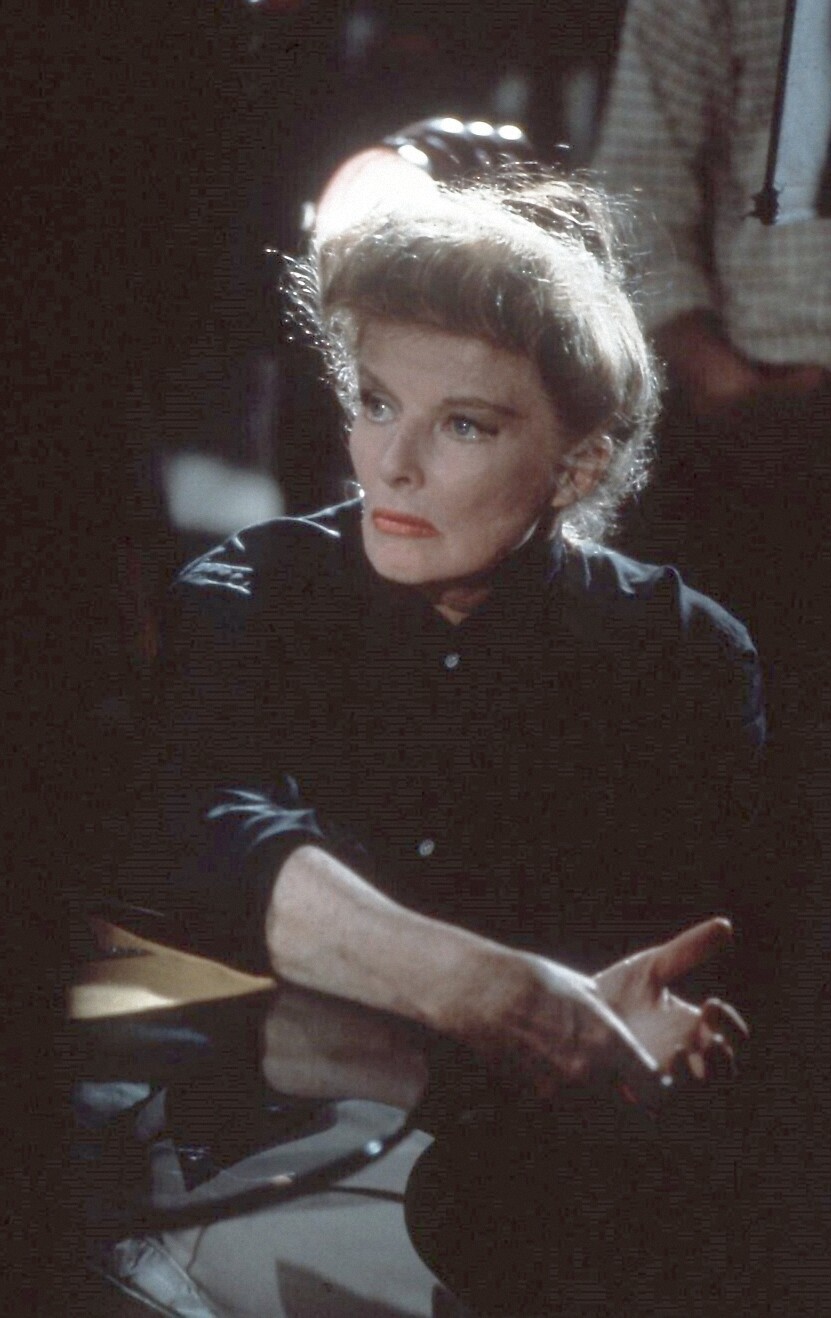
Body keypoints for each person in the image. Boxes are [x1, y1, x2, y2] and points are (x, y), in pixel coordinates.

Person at [124, 170, 764, 1311]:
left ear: (577, 464)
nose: (392, 463)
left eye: (462, 424)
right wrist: (498, 998)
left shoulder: (683, 654)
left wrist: (650, 1037)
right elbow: (204, 832)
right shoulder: (249, 594)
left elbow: (705, 966)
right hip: (261, 1162)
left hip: (551, 1192)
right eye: (376, 404)